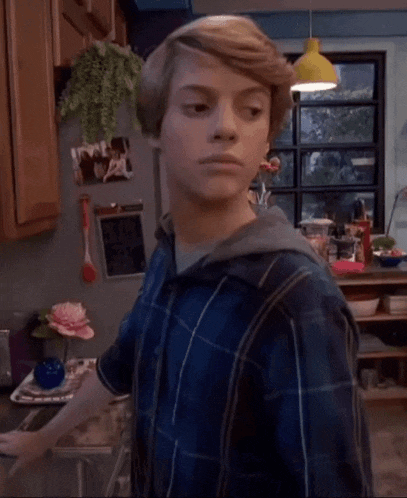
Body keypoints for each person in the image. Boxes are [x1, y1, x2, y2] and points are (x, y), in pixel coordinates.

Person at [0, 15, 372, 497]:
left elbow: (336, 485)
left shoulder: (296, 299)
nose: (226, 129)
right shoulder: (171, 253)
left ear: (267, 138)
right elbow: (121, 364)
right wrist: (42, 437)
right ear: (154, 129)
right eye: (198, 106)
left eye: (252, 111)